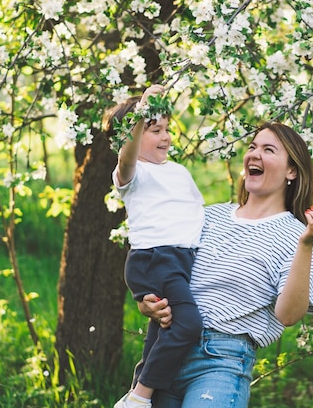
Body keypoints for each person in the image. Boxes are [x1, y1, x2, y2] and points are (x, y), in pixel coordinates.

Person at [137, 122, 313, 407]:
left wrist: (306, 245)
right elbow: (165, 269)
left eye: (269, 150)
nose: (255, 154)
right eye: (253, 147)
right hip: (164, 350)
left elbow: (289, 315)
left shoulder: (297, 235)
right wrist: (145, 301)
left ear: (292, 171)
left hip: (220, 361)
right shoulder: (209, 216)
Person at [106, 84, 205, 408]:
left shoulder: (178, 171)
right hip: (155, 258)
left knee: (163, 332)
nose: (165, 136)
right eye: (154, 129)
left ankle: (141, 393)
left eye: (166, 128)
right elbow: (127, 153)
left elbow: (196, 214)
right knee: (188, 326)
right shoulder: (133, 173)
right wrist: (142, 111)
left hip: (179, 259)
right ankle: (140, 396)